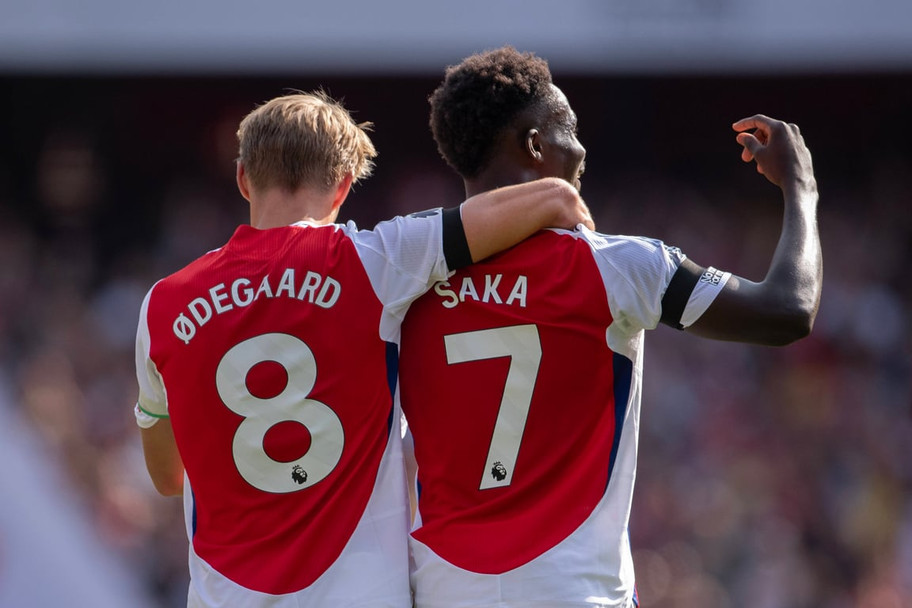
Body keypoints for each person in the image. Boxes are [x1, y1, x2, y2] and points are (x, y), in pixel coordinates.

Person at [132, 90, 593, 607]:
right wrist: (563, 198)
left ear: (243, 179)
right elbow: (543, 203)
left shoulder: (162, 305)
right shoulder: (375, 261)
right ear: (343, 187)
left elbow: (168, 477)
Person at [397, 47, 822, 608]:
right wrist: (802, 188)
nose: (582, 149)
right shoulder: (619, 265)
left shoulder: (403, 277)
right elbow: (789, 310)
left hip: (443, 589)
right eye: (569, 130)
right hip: (575, 590)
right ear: (535, 145)